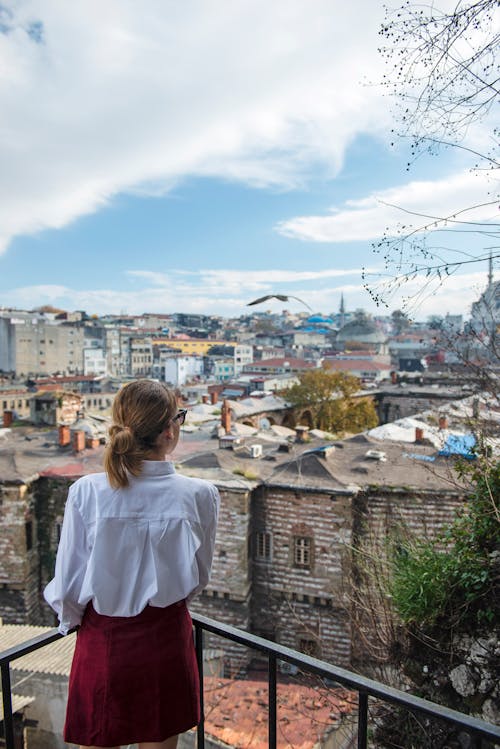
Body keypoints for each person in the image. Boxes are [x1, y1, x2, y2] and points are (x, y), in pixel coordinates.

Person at [44, 380, 220, 749]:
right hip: (167, 638)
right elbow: (199, 577)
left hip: (104, 638)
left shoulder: (88, 491)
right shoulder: (200, 495)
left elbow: (69, 581)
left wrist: (79, 621)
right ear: (170, 430)